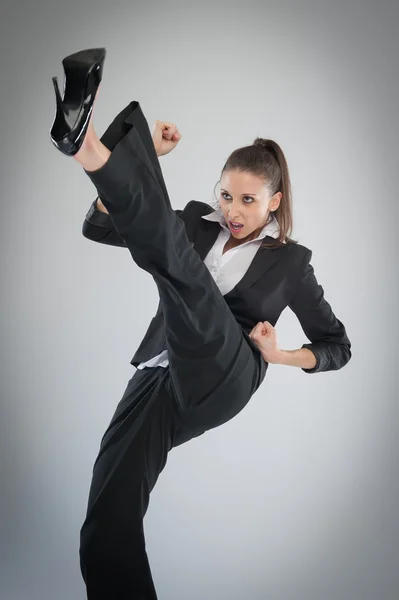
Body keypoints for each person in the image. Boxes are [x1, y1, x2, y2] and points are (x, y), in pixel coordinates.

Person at [50, 48, 351, 600]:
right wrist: (150, 167)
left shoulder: (292, 263)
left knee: (184, 274)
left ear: (274, 202)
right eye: (225, 194)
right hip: (161, 375)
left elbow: (337, 346)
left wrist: (280, 355)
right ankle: (90, 147)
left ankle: (90, 146)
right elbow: (101, 229)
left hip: (226, 370)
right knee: (104, 525)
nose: (233, 209)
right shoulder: (194, 219)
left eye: (248, 200)